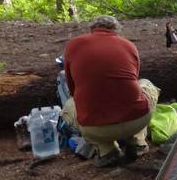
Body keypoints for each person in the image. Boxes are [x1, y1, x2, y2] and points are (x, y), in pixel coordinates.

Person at [61, 16, 159, 167]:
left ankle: (107, 151)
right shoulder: (129, 45)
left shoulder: (73, 45)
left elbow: (72, 88)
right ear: (116, 31)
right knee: (145, 85)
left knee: (69, 105)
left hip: (96, 129)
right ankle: (138, 142)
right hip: (137, 120)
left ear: (92, 30)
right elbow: (133, 80)